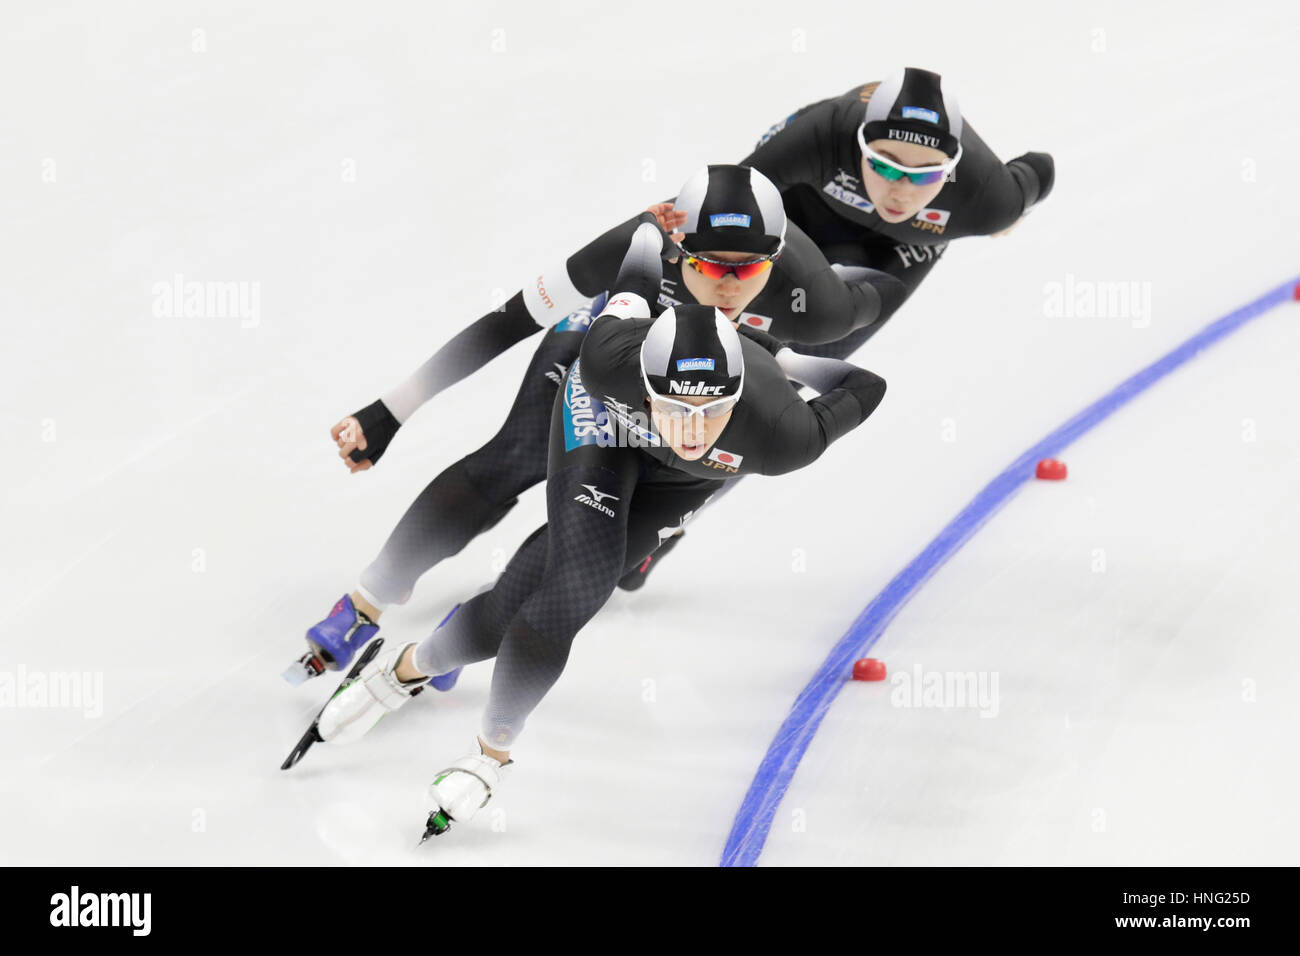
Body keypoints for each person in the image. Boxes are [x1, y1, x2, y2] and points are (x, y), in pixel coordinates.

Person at [310, 221, 888, 832]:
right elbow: (638, 268)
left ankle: (405, 670)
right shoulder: (610, 356)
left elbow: (867, 384)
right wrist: (645, 240)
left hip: (680, 483)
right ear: (647, 384)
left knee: (513, 605)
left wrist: (789, 361)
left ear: (742, 398)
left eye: (710, 411)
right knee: (572, 588)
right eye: (676, 406)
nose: (691, 427)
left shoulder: (784, 434)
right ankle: (491, 757)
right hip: (602, 427)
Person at [287, 165, 905, 681]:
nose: (726, 283)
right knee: (520, 452)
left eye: (749, 269)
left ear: (777, 261)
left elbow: (879, 288)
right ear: (675, 245)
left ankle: (475, 625)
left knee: (597, 536)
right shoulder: (641, 239)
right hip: (601, 358)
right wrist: (392, 410)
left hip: (688, 408)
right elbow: (510, 320)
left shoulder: (815, 302)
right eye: (707, 264)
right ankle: (366, 600)